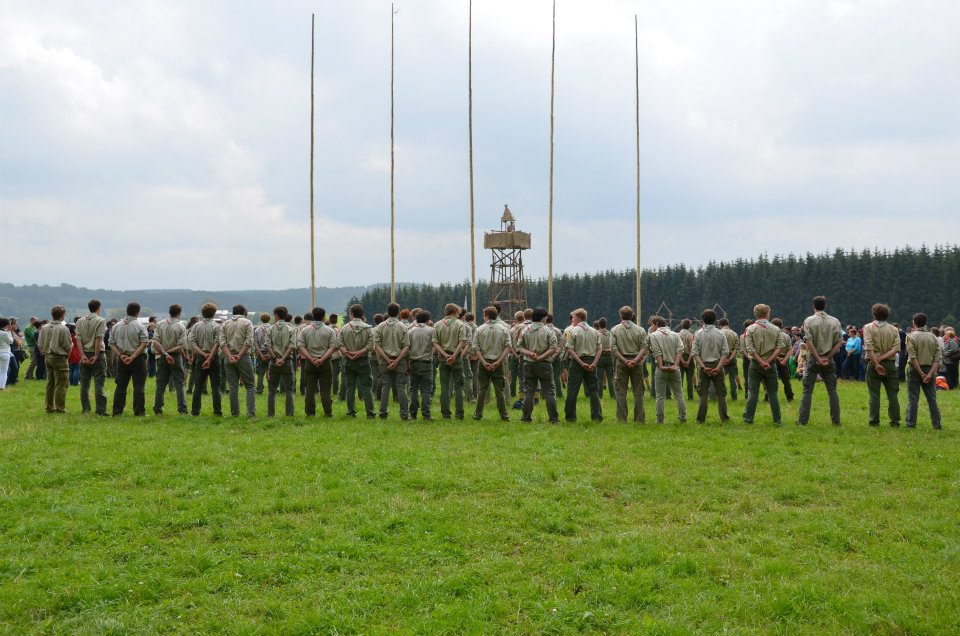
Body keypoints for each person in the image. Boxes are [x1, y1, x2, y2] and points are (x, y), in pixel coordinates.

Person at [797, 296, 842, 426]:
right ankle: (836, 421)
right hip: (829, 358)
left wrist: (817, 357)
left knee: (807, 391)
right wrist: (827, 357)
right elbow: (839, 342)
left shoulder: (809, 321)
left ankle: (802, 421)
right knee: (832, 391)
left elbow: (809, 342)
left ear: (813, 306)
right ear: (825, 306)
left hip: (813, 358)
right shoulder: (835, 321)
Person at [742, 304, 784, 426]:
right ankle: (777, 419)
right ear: (767, 314)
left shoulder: (750, 329)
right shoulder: (776, 329)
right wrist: (768, 361)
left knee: (753, 392)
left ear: (755, 314)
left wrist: (760, 361)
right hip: (771, 364)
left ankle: (748, 418)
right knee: (772, 393)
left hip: (755, 364)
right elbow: (780, 347)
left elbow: (750, 348)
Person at [516, 307, 560, 423]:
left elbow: (519, 347)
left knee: (529, 391)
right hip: (545, 364)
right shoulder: (548, 331)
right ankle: (553, 419)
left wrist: (530, 353)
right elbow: (553, 348)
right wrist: (541, 357)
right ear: (543, 318)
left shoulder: (525, 330)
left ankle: (526, 417)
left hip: (529, 363)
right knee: (549, 391)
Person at [862, 303, 901, 427]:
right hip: (890, 364)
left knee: (874, 394)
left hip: (873, 363)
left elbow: (868, 347)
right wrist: (882, 358)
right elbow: (896, 349)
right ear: (887, 315)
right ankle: (895, 421)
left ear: (874, 314)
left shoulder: (868, 327)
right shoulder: (894, 329)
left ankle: (874, 421)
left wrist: (876, 362)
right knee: (893, 394)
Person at [108, 302, 149, 416]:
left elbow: (111, 343)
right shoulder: (140, 326)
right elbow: (144, 343)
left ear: (127, 311)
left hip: (122, 358)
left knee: (120, 386)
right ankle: (139, 411)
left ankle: (117, 411)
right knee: (139, 386)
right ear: (138, 312)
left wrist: (120, 355)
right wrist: (133, 357)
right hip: (138, 358)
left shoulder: (116, 326)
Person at [471, 306, 511, 421]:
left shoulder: (479, 329)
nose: (483, 317)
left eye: (484, 315)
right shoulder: (504, 329)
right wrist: (498, 361)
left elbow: (475, 348)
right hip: (498, 361)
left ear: (487, 316)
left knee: (482, 389)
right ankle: (504, 415)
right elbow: (508, 347)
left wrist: (483, 362)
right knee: (500, 390)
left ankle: (478, 414)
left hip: (484, 361)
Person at [609, 305, 648, 423]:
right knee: (638, 392)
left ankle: (622, 419)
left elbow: (613, 348)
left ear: (620, 315)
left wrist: (624, 360)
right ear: (632, 316)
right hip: (637, 362)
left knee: (620, 392)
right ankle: (639, 419)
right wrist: (635, 360)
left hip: (621, 362)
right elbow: (644, 347)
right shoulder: (640, 330)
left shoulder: (614, 330)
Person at [564, 308, 603, 423]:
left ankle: (570, 417)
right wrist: (594, 363)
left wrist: (581, 363)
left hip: (577, 362)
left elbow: (570, 349)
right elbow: (600, 348)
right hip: (591, 361)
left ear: (579, 317)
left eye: (573, 317)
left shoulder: (573, 331)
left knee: (572, 390)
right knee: (593, 390)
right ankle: (597, 416)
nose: (572, 320)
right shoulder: (594, 331)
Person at [373, 302, 410, 420]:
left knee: (385, 387)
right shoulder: (403, 326)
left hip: (385, 360)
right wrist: (397, 360)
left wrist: (387, 360)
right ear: (398, 312)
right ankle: (404, 414)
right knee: (401, 387)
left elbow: (377, 346)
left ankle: (382, 413)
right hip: (400, 360)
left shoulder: (380, 326)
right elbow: (406, 346)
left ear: (388, 312)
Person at [433, 303, 471, 420]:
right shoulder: (460, 324)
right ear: (454, 312)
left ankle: (445, 414)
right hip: (456, 357)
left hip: (443, 357)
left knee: (444, 387)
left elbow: (435, 343)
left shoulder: (437, 324)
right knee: (458, 387)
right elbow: (462, 341)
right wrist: (454, 355)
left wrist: (445, 355)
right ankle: (459, 414)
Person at [692, 308, 730, 423]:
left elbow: (695, 353)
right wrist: (718, 367)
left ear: (702, 319)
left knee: (703, 394)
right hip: (718, 363)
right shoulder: (721, 334)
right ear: (715, 320)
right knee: (721, 394)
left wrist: (703, 367)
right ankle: (724, 418)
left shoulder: (697, 334)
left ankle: (700, 419)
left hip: (703, 364)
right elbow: (725, 352)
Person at [338, 304, 376, 419]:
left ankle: (351, 411)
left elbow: (339, 344)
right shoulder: (368, 328)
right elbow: (371, 345)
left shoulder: (344, 328)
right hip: (363, 361)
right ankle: (370, 413)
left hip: (348, 360)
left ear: (351, 314)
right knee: (367, 388)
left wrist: (347, 354)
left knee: (350, 387)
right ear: (362, 314)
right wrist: (359, 353)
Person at [299, 307, 338, 417]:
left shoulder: (305, 330)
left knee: (309, 390)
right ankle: (328, 412)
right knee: (326, 389)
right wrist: (322, 359)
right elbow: (332, 347)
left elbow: (301, 346)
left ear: (313, 316)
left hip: (310, 362)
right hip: (325, 363)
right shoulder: (329, 330)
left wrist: (311, 358)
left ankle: (310, 412)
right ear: (324, 317)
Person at [905, 313, 942, 429]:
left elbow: (913, 357)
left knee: (913, 398)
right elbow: (937, 359)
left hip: (915, 369)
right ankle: (937, 424)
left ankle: (911, 424)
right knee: (932, 398)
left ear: (914, 323)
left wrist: (921, 373)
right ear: (926, 323)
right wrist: (930, 374)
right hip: (930, 368)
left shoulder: (911, 336)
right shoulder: (933, 337)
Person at [219, 305, 256, 417]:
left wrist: (230, 356)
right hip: (243, 356)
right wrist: (239, 355)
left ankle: (234, 413)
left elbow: (222, 342)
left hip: (228, 357)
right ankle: (251, 412)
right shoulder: (247, 323)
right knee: (250, 386)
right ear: (244, 312)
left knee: (232, 387)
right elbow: (249, 341)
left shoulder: (225, 324)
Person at [648, 316, 686, 424]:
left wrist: (661, 365)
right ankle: (683, 417)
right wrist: (676, 365)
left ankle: (660, 420)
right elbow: (680, 350)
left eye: (652, 324)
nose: (651, 326)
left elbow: (656, 351)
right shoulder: (676, 335)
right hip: (674, 367)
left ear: (656, 323)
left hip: (661, 368)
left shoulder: (653, 335)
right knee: (679, 395)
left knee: (660, 396)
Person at [188, 303, 223, 416]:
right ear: (214, 313)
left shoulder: (196, 326)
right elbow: (218, 343)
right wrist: (210, 356)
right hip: (214, 358)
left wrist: (203, 354)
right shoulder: (217, 326)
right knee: (215, 386)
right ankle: (217, 411)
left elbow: (192, 342)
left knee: (198, 385)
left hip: (200, 357)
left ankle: (195, 411)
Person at [152, 304, 188, 415]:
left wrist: (164, 352)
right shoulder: (181, 326)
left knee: (161, 384)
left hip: (162, 356)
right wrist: (169, 352)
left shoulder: (159, 324)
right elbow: (181, 346)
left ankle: (158, 407)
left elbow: (155, 341)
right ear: (179, 313)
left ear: (169, 312)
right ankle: (182, 409)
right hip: (175, 356)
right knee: (179, 383)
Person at [75, 299, 108, 416]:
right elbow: (98, 339)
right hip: (97, 354)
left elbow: (78, 340)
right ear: (98, 308)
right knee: (99, 383)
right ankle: (100, 410)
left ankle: (85, 409)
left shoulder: (80, 321)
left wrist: (82, 355)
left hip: (84, 353)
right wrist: (96, 355)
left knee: (84, 384)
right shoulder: (100, 320)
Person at [38, 307, 71, 412]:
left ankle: (49, 407)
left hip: (47, 356)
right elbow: (67, 345)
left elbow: (40, 343)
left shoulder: (44, 327)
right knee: (61, 384)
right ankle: (60, 408)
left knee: (50, 383)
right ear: (62, 316)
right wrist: (67, 353)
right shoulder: (63, 328)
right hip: (59, 357)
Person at [263, 306, 295, 416]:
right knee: (289, 389)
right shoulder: (291, 329)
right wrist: (283, 358)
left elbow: (267, 345)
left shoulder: (270, 329)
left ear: (276, 315)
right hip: (287, 361)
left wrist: (275, 358)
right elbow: (292, 346)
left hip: (274, 361)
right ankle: (289, 413)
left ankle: (270, 414)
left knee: (272, 390)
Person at [407, 310, 436, 421]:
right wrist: (431, 354)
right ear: (427, 320)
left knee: (413, 388)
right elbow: (435, 345)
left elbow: (407, 348)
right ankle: (426, 414)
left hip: (413, 362)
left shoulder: (410, 331)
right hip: (426, 362)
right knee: (426, 389)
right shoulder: (431, 330)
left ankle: (412, 414)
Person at [770, 318, 795, 402]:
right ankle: (790, 396)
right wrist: (784, 360)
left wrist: (777, 358)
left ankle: (769, 397)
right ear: (781, 326)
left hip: (772, 358)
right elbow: (790, 349)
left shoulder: (771, 335)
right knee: (786, 379)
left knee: (771, 378)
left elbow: (770, 349)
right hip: (784, 358)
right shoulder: (786, 336)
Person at [718, 318, 740, 401]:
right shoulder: (734, 334)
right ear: (728, 324)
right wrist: (730, 358)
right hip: (732, 357)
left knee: (721, 379)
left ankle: (722, 396)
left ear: (720, 325)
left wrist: (722, 359)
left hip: (721, 357)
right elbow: (736, 348)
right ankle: (734, 396)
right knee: (732, 379)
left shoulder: (719, 333)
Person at [595, 318, 615, 399]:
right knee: (610, 378)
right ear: (606, 325)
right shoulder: (610, 333)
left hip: (599, 357)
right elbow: (613, 345)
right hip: (609, 357)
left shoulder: (596, 333)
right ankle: (613, 395)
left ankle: (599, 395)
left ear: (599, 325)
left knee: (599, 378)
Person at [678, 318, 696, 401]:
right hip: (689, 357)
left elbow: (677, 349)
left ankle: (679, 396)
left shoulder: (677, 335)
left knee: (680, 379)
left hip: (680, 357)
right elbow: (693, 349)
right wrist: (688, 360)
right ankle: (690, 397)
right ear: (689, 326)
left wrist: (681, 360)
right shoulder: (692, 335)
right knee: (690, 379)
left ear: (681, 325)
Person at [253, 313, 271, 394]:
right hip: (271, 352)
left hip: (261, 352)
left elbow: (256, 344)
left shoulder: (257, 330)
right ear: (269, 319)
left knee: (260, 373)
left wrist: (260, 354)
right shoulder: (272, 329)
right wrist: (270, 354)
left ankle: (259, 389)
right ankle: (272, 388)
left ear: (261, 320)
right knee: (271, 371)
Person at [0, 317, 16, 390]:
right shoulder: (5, 333)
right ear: (6, 325)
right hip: (4, 353)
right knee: (4, 372)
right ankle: (1, 387)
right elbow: (11, 341)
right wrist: (9, 332)